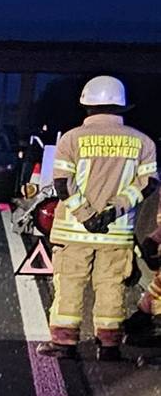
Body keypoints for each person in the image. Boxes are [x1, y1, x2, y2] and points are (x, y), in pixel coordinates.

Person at [44, 76, 158, 358]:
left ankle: (64, 343)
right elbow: (148, 184)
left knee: (70, 284)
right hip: (117, 232)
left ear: (86, 105)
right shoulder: (142, 142)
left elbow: (62, 184)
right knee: (111, 286)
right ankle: (109, 345)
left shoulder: (71, 139)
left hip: (73, 231)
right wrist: (113, 210)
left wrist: (87, 215)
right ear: (122, 106)